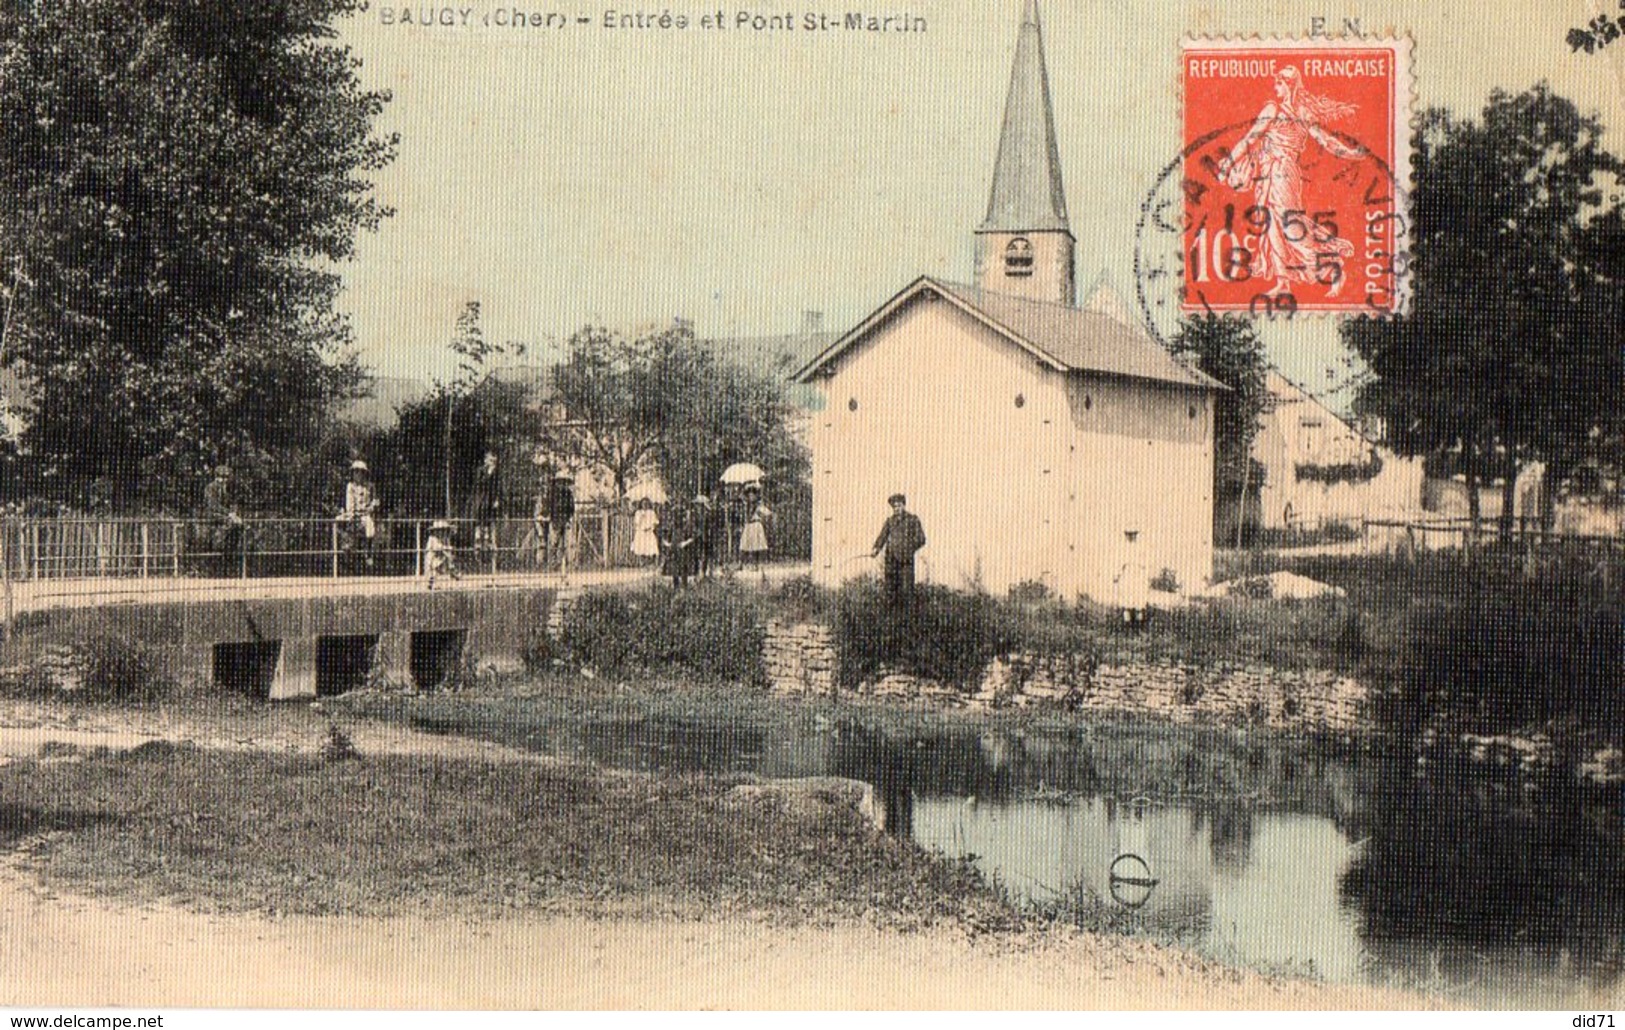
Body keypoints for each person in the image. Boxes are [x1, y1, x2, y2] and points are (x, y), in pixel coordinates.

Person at [1217, 65, 1364, 298]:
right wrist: (1228, 164)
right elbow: (1251, 140)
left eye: (1279, 83)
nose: (1275, 88)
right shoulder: (1289, 110)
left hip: (1282, 172)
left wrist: (1351, 154)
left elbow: (1251, 139)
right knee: (1271, 225)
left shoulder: (1284, 110)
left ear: (1288, 85)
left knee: (1289, 226)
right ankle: (1283, 282)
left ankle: (1333, 268)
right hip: (1271, 173)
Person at [871, 493, 926, 603]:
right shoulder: (889, 521)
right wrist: (876, 548)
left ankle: (908, 618)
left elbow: (921, 538)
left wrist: (909, 548)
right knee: (890, 591)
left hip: (906, 561)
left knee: (906, 590)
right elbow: (882, 536)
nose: (896, 509)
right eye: (894, 506)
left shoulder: (912, 520)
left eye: (899, 506)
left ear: (904, 505)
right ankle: (891, 617)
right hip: (890, 561)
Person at [337, 459, 380, 573]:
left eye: (360, 472)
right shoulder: (350, 486)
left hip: (365, 514)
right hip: (352, 513)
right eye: (356, 472)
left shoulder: (370, 486)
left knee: (370, 531)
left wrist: (372, 506)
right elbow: (348, 501)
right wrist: (350, 513)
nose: (358, 474)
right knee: (340, 525)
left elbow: (375, 500)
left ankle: (368, 554)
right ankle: (342, 556)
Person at [203, 464, 245, 578]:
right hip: (212, 515)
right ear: (216, 477)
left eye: (226, 477)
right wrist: (229, 514)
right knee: (231, 522)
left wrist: (234, 512)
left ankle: (233, 550)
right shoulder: (210, 488)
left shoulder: (226, 490)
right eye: (222, 477)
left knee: (240, 524)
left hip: (225, 515)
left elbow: (232, 502)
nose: (224, 480)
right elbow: (213, 505)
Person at [465, 450, 502, 570]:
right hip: (479, 502)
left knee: (488, 529)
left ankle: (488, 553)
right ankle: (477, 552)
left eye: (494, 461)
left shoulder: (496, 473)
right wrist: (489, 474)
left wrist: (497, 499)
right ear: (486, 460)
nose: (493, 463)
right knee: (478, 528)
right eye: (491, 461)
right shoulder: (480, 471)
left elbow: (498, 487)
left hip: (490, 503)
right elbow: (478, 484)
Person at [1114, 529, 1150, 627]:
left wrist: (1146, 577)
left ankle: (1138, 628)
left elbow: (1146, 564)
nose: (1130, 536)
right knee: (1126, 601)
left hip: (1138, 575)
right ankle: (1128, 629)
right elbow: (1119, 563)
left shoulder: (1142, 548)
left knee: (1139, 601)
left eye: (1132, 534)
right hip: (1127, 575)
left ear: (1136, 535)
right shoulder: (1123, 548)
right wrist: (1117, 575)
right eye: (1128, 534)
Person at [661, 498, 698, 588]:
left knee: (683, 568)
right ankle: (675, 586)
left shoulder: (687, 526)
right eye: (676, 516)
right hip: (673, 550)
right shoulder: (672, 526)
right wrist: (667, 544)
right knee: (674, 569)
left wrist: (685, 543)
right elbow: (665, 538)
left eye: (680, 516)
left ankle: (684, 586)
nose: (678, 518)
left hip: (684, 550)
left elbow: (692, 537)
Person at [546, 471, 575, 571]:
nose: (562, 484)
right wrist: (552, 519)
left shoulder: (568, 494)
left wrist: (569, 518)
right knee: (555, 542)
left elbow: (572, 507)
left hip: (566, 520)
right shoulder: (553, 494)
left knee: (567, 543)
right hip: (556, 520)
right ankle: (553, 563)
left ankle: (567, 563)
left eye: (563, 482)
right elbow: (550, 507)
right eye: (560, 482)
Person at [738, 485, 771, 569]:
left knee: (756, 545)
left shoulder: (759, 505)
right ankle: (741, 564)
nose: (751, 496)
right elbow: (740, 498)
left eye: (753, 495)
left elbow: (768, 513)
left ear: (756, 496)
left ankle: (755, 565)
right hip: (748, 525)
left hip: (756, 525)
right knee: (743, 545)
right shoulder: (746, 505)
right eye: (749, 495)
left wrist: (761, 515)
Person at [423, 519, 459, 589]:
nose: (442, 532)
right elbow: (437, 547)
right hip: (433, 556)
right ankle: (431, 582)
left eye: (444, 530)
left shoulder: (446, 538)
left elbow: (446, 549)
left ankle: (453, 573)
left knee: (446, 564)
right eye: (440, 530)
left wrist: (449, 553)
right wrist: (447, 548)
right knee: (433, 570)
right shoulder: (432, 538)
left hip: (441, 556)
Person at [694, 494, 724, 577]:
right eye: (697, 505)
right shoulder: (696, 515)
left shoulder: (709, 515)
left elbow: (713, 526)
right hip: (700, 537)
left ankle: (708, 571)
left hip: (708, 537)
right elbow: (696, 526)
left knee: (708, 555)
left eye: (699, 505)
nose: (697, 507)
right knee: (701, 555)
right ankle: (701, 572)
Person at [631, 497, 661, 564]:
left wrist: (651, 527)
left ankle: (650, 561)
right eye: (643, 503)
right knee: (641, 547)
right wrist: (641, 517)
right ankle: (642, 561)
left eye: (646, 503)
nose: (644, 505)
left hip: (649, 531)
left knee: (650, 547)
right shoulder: (638, 512)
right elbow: (636, 523)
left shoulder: (651, 512)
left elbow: (655, 522)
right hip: (641, 531)